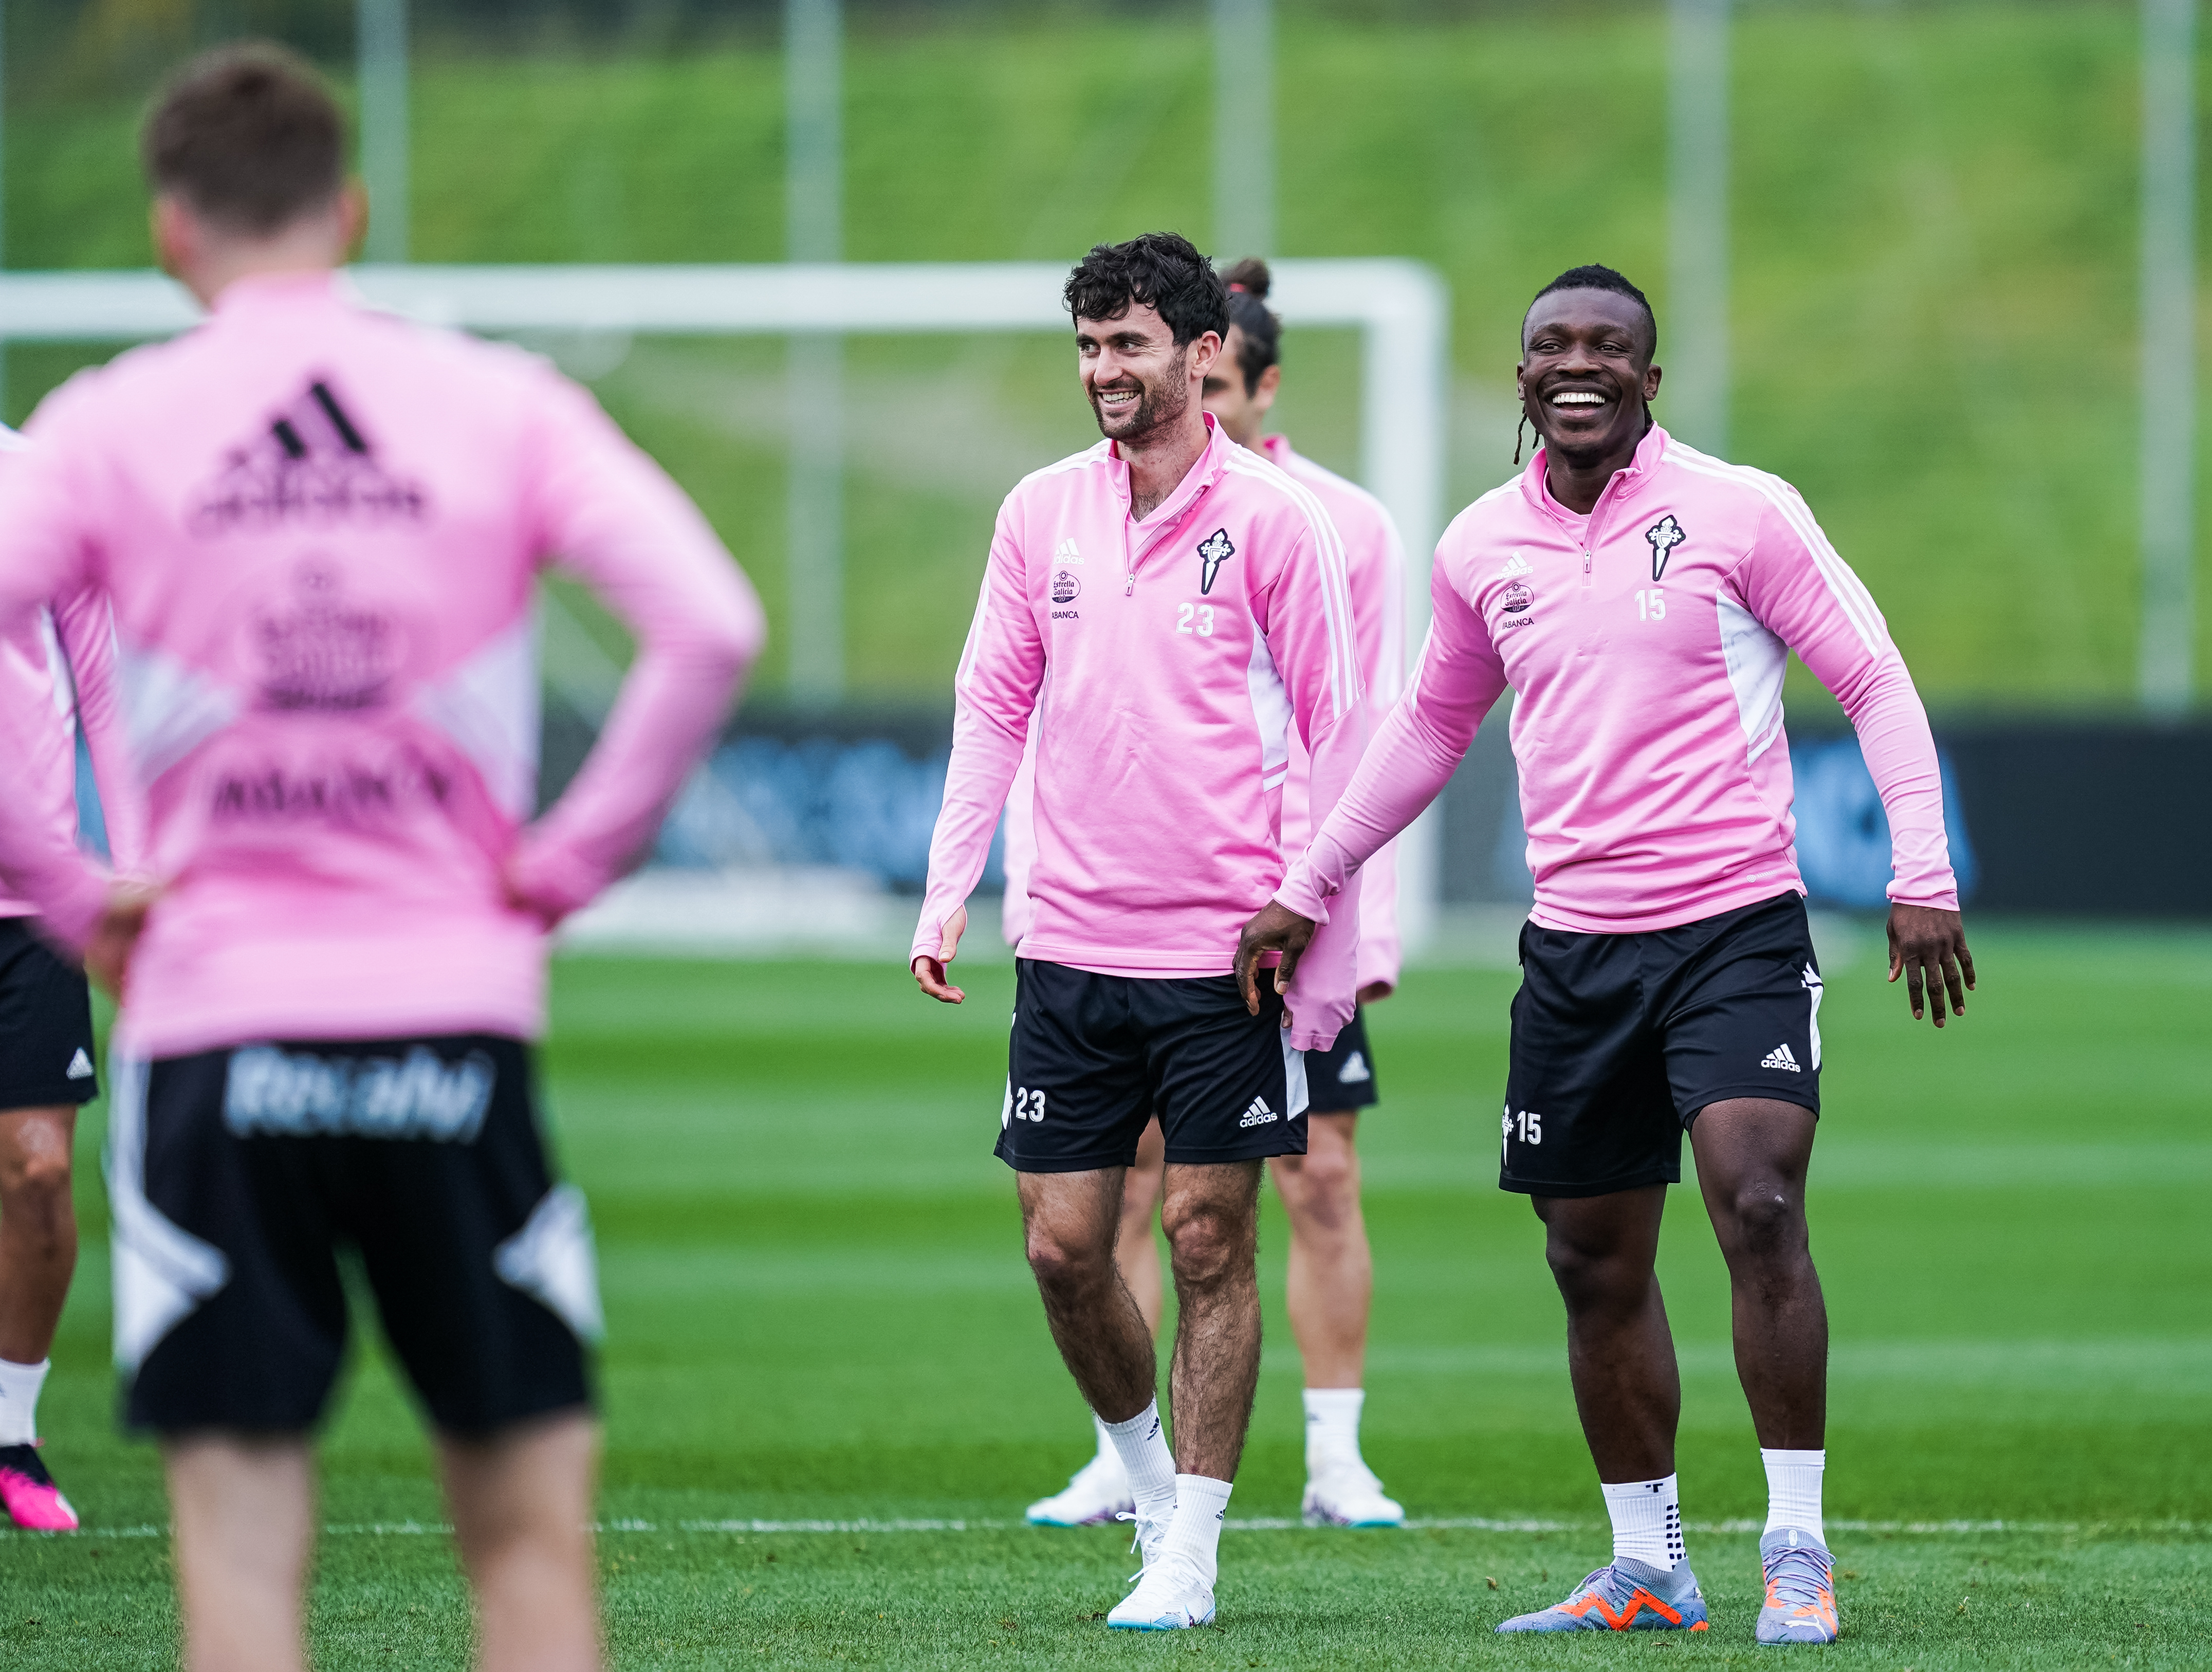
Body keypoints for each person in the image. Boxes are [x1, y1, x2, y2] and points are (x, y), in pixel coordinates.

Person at [0, 46, 763, 1672]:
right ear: (347, 207)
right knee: (529, 1549)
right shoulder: (496, 399)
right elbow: (710, 623)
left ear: (168, 230)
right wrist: (565, 863)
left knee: (241, 1575)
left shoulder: (105, 423)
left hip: (216, 1033)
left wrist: (72, 890)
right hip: (450, 1022)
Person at [1234, 264, 1976, 1646]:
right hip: (1575, 953)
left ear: (1651, 373)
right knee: (1592, 1256)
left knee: (1756, 1199)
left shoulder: (1740, 511)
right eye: (1549, 345)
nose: (1576, 364)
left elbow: (1870, 674)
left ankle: (1797, 1545)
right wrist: (1309, 880)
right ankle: (1649, 1561)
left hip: (1733, 928)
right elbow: (1426, 730)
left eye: (1607, 346)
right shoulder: (1479, 548)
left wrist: (1918, 875)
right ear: (1521, 375)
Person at [911, 232, 1368, 1631]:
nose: (1106, 371)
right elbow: (991, 703)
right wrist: (949, 888)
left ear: (1205, 352)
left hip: (1226, 956)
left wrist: (1323, 940)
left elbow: (1343, 735)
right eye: (1089, 347)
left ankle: (1194, 1552)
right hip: (1066, 945)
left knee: (1210, 1237)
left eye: (1131, 344)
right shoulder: (1038, 511)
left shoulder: (1282, 525)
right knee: (1061, 1247)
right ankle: (1147, 1483)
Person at [1022, 256, 1406, 1533]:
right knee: (1123, 1202)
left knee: (1313, 1181)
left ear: (1240, 376)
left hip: (1285, 920)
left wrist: (1355, 926)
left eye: (1230, 384)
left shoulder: (1332, 523)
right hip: (1130, 920)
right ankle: (1125, 1459)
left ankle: (1334, 1454)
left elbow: (1358, 735)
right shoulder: (1075, 512)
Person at [0, 422, 134, 1532]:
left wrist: (136, 876)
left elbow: (106, 688)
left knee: (39, 1173)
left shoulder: (39, 481)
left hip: (31, 908)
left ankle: (11, 1432)